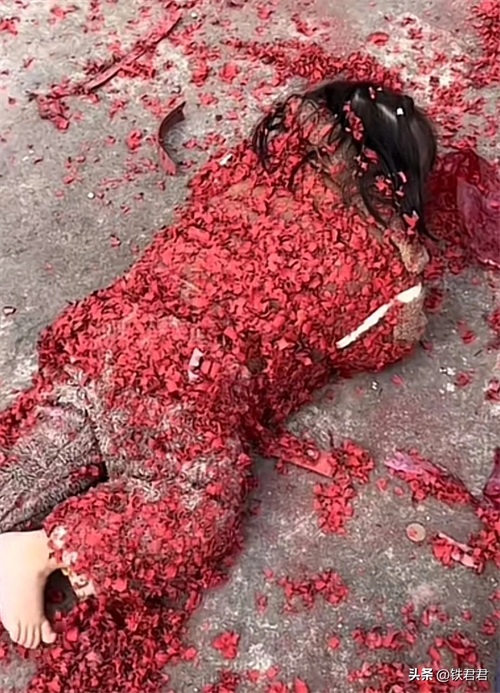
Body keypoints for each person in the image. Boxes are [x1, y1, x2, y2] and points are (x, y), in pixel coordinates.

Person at [0, 80, 437, 650]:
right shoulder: (377, 255)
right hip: (186, 376)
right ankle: (41, 552)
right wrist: (407, 270)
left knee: (44, 448)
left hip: (107, 329)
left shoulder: (250, 164)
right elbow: (386, 339)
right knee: (194, 497)